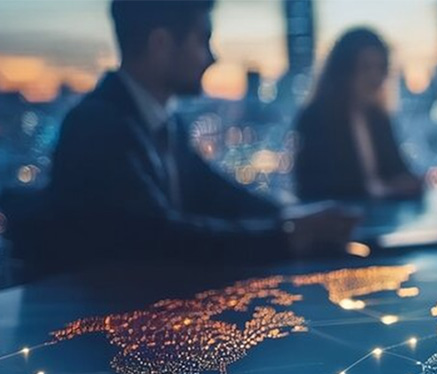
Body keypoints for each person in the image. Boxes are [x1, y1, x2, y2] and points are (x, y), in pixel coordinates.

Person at [45, 0, 353, 268]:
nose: (211, 57)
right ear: (161, 44)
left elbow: (218, 193)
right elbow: (159, 238)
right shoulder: (97, 126)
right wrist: (288, 235)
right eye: (202, 40)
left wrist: (293, 214)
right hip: (94, 322)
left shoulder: (163, 122)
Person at [294, 28, 422, 202]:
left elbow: (398, 170)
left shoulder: (378, 118)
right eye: (366, 67)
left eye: (381, 68)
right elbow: (317, 188)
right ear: (343, 71)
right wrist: (382, 188)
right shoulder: (315, 119)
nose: (375, 77)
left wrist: (411, 182)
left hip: (382, 220)